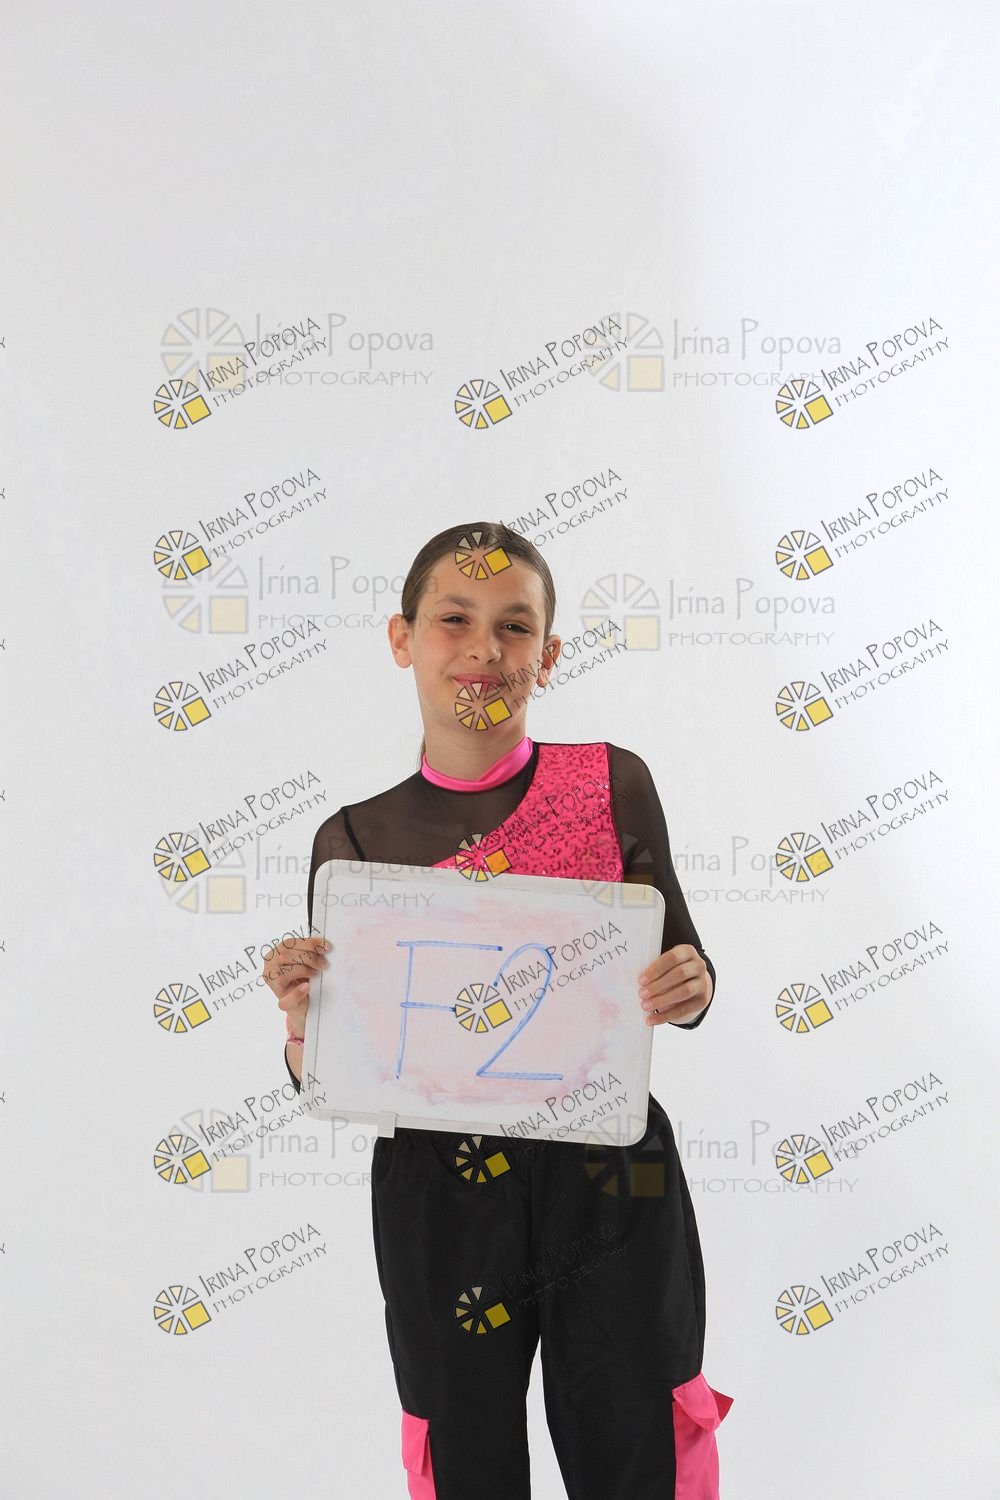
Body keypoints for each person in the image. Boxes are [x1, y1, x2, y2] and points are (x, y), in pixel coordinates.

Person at [266, 521, 732, 1500]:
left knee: (636, 1435)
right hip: (440, 1190)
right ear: (402, 639)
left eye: (514, 626)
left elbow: (687, 977)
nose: (484, 648)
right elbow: (337, 1073)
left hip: (612, 1169)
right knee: (463, 1442)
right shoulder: (353, 840)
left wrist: (689, 984)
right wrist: (303, 1021)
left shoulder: (611, 782)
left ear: (547, 655)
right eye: (454, 619)